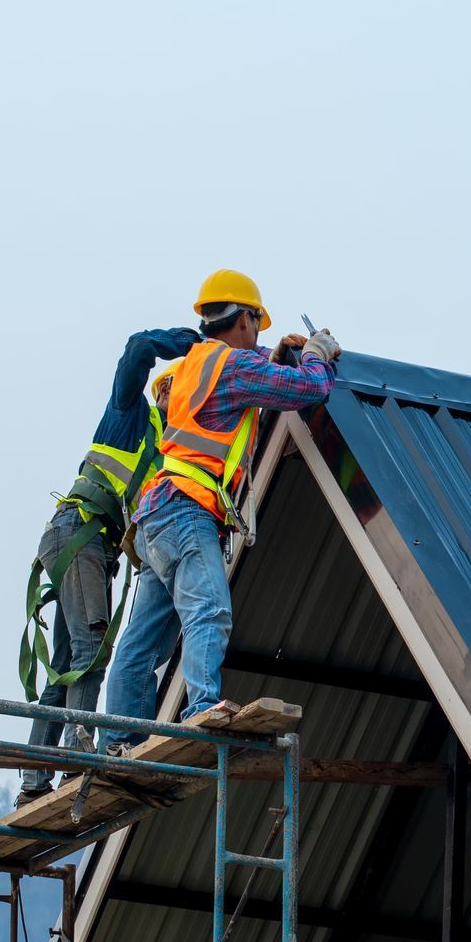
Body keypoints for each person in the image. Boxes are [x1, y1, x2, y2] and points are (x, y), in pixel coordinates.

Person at [99, 269, 341, 749]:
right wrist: (315, 357)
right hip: (187, 510)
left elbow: (235, 397)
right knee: (208, 608)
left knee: (142, 642)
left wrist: (271, 359)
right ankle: (202, 705)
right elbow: (309, 390)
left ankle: (119, 741)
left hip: (157, 514)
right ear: (244, 318)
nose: (260, 331)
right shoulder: (231, 366)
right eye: (258, 322)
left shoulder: (194, 362)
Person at [17, 324, 199, 807]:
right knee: (91, 654)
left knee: (68, 665)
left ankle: (34, 783)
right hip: (78, 535)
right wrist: (196, 344)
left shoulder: (171, 460)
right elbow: (138, 348)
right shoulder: (129, 415)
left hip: (84, 546)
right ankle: (79, 764)